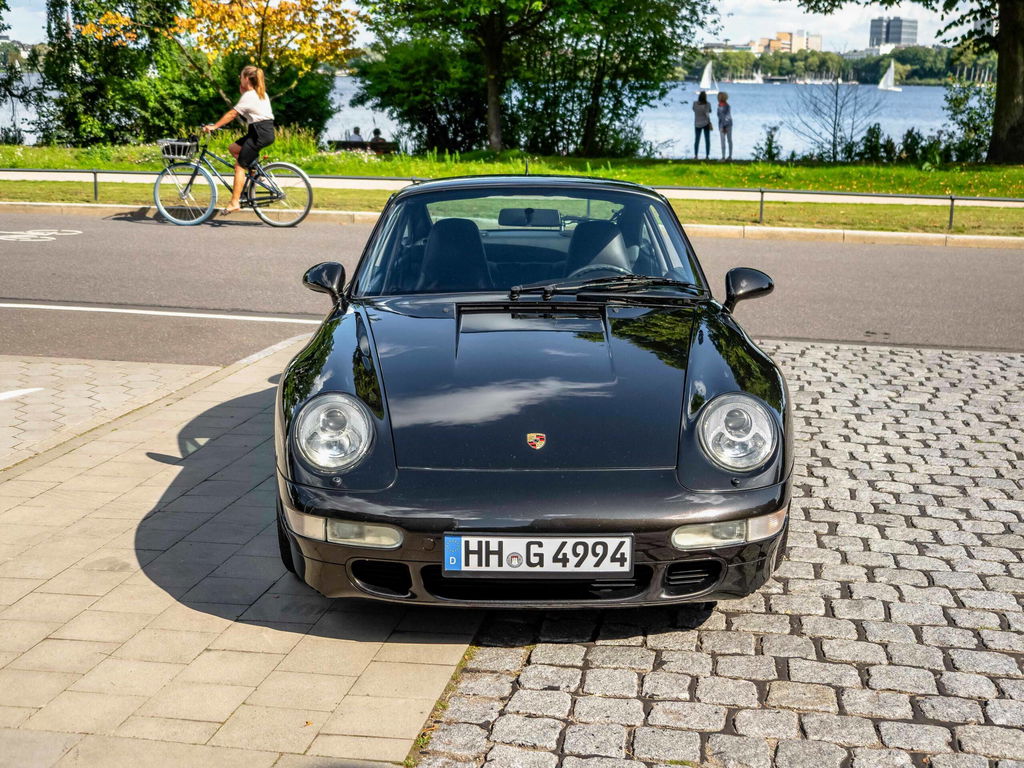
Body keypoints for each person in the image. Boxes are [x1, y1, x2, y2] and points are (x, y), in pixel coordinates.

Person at [203, 65, 275, 215]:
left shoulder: (249, 96)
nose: (239, 79)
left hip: (259, 133)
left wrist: (214, 126)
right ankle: (255, 175)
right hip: (261, 131)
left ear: (247, 79)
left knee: (239, 166)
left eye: (241, 77)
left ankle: (234, 202)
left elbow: (232, 114)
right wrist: (243, 91)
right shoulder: (259, 93)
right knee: (233, 148)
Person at [692, 91, 712, 160]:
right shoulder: (707, 104)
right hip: (706, 123)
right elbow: (708, 112)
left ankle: (696, 155)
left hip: (697, 123)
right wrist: (710, 122)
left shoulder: (695, 103)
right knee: (707, 140)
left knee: (697, 140)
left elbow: (694, 110)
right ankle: (707, 156)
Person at [717, 91, 733, 161]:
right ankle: (723, 156)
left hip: (727, 125)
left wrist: (724, 126)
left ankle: (729, 156)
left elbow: (727, 116)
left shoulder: (726, 106)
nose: (718, 98)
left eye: (719, 96)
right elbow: (720, 116)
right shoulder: (719, 106)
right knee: (723, 141)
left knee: (729, 140)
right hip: (722, 125)